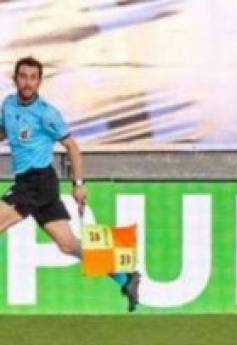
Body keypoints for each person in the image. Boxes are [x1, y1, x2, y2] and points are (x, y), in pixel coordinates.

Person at [0, 56, 140, 311]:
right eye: (23, 77)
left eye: (33, 77)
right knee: (68, 245)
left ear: (40, 81)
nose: (28, 82)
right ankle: (124, 276)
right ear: (15, 79)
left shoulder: (47, 114)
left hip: (37, 181)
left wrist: (78, 183)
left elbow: (72, 147)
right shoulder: (8, 104)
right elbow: (5, 131)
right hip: (32, 183)